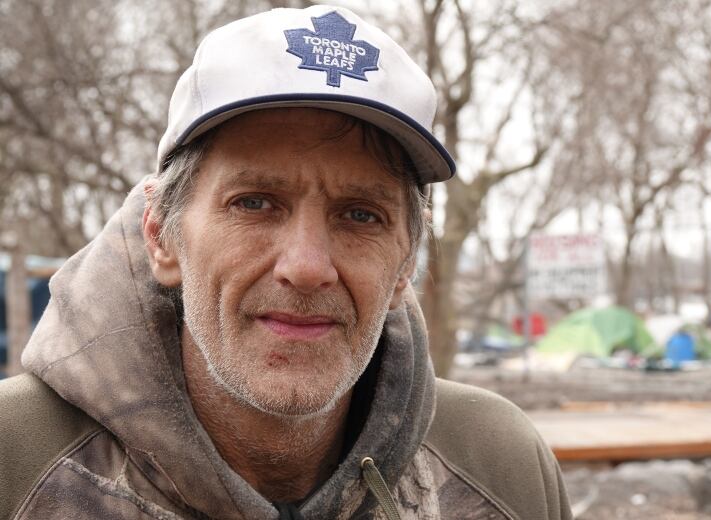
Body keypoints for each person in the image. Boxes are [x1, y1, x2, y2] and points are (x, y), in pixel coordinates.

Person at [0, 6, 571, 519]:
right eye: (254, 203)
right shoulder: (15, 465)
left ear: (405, 264)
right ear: (160, 235)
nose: (306, 267)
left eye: (361, 215)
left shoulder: (500, 470)